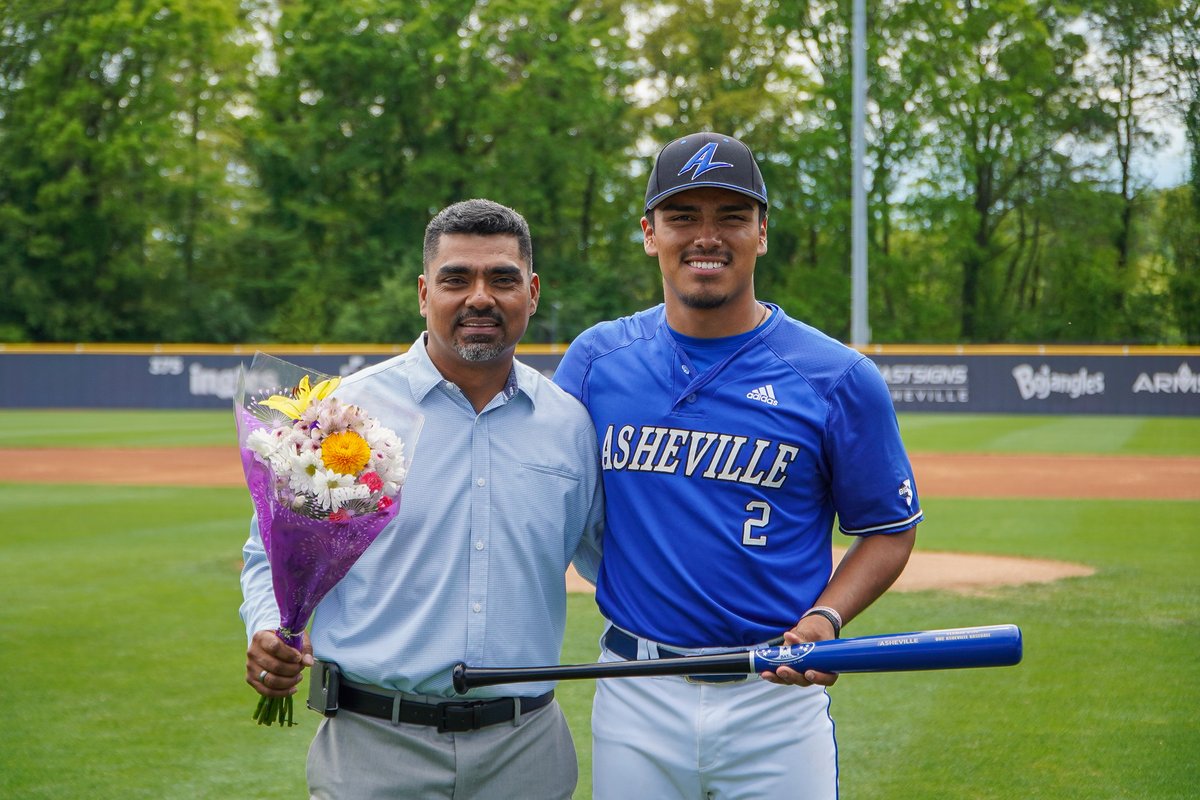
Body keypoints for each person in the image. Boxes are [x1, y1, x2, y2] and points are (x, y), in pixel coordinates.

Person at [553, 132, 922, 800]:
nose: (706, 236)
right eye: (682, 217)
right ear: (648, 232)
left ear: (762, 232)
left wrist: (825, 619)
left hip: (775, 700)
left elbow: (890, 527)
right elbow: (539, 496)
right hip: (635, 688)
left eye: (730, 216)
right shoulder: (596, 361)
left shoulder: (837, 377)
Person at [240, 198, 604, 800]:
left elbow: (613, 563)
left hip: (526, 750)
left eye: (503, 279)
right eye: (456, 279)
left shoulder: (570, 424)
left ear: (532, 292)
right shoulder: (342, 416)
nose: (480, 297)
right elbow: (267, 555)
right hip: (374, 745)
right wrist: (269, 629)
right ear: (423, 293)